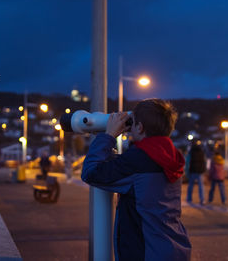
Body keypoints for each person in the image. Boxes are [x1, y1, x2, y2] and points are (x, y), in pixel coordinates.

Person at [82, 98, 191, 261]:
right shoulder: (172, 155)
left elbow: (91, 172)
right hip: (174, 247)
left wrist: (109, 135)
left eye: (132, 124)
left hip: (145, 252)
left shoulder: (138, 160)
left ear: (139, 127)